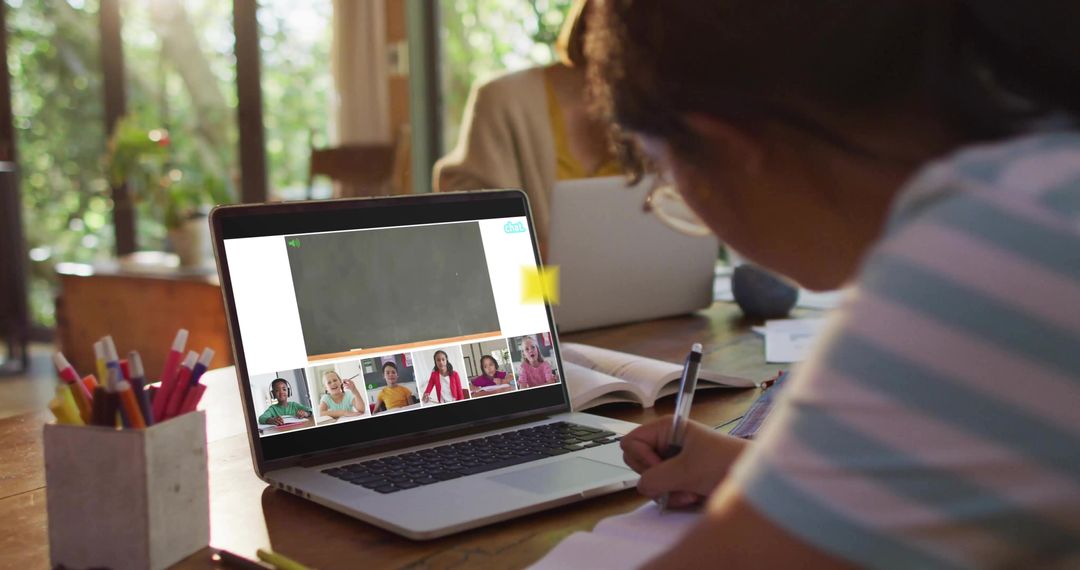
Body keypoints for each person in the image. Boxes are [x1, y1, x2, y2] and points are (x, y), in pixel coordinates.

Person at [589, 0, 1080, 567]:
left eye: (668, 177)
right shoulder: (1042, 184)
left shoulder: (1002, 239)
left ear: (730, 149)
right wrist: (766, 474)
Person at [433, 0, 622, 250]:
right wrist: (528, 248)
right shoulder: (503, 99)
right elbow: (462, 217)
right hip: (532, 284)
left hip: (641, 284)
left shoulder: (663, 112)